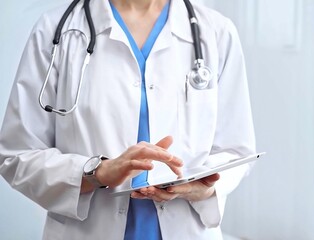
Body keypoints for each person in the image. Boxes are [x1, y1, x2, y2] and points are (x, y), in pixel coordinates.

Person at [0, 0, 256, 239]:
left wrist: (207, 189)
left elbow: (236, 149)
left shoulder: (216, 32)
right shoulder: (58, 31)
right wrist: (94, 173)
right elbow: (17, 154)